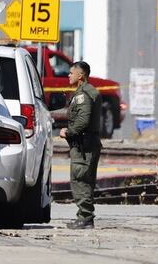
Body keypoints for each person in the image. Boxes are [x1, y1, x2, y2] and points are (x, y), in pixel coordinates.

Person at [59, 61, 102, 229]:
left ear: (80, 75)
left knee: (80, 181)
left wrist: (68, 132)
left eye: (71, 73)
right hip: (88, 143)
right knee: (86, 181)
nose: (69, 75)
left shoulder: (83, 95)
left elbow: (83, 120)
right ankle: (84, 217)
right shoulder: (89, 92)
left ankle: (85, 217)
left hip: (84, 146)